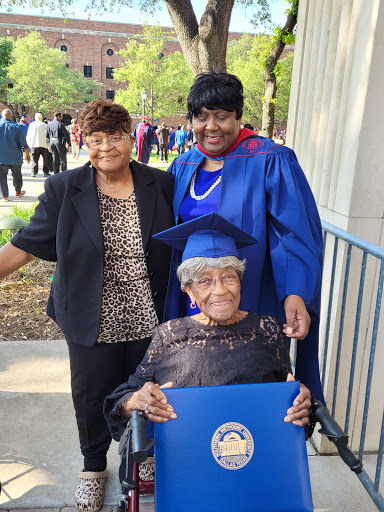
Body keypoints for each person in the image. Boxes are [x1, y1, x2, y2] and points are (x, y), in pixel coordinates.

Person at [0, 98, 174, 512]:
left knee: (149, 392)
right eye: (96, 139)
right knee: (91, 395)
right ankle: (94, 466)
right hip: (89, 315)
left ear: (130, 139)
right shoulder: (65, 188)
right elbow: (27, 245)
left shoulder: (159, 184)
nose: (106, 147)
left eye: (115, 137)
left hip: (148, 315)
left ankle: (142, 457)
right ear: (85, 142)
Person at [165, 72, 324, 405]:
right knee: (195, 378)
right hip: (193, 298)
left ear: (238, 116)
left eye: (222, 116)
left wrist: (295, 293)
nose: (211, 127)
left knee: (247, 382)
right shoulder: (184, 163)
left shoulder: (268, 159)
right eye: (202, 117)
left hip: (251, 295)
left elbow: (292, 234)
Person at [104, 213, 311, 442]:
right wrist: (136, 401)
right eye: (204, 281)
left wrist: (299, 400)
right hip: (189, 455)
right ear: (188, 290)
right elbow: (122, 398)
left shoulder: (268, 329)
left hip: (256, 452)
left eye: (229, 277)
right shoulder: (169, 335)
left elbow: (287, 392)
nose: (220, 290)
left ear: (241, 280)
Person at [0, 109, 29, 201]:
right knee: (17, 175)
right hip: (15, 156)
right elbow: (24, 143)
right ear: (11, 116)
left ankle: (5, 196)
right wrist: (27, 155)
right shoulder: (16, 127)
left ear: (2, 115)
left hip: (1, 157)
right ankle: (18, 192)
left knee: (2, 176)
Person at [26, 112, 51, 177]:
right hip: (44, 144)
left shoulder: (31, 125)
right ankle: (46, 171)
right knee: (45, 159)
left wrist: (29, 144)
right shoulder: (45, 125)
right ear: (41, 118)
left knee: (35, 159)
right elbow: (48, 135)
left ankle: (34, 172)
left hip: (34, 144)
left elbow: (29, 135)